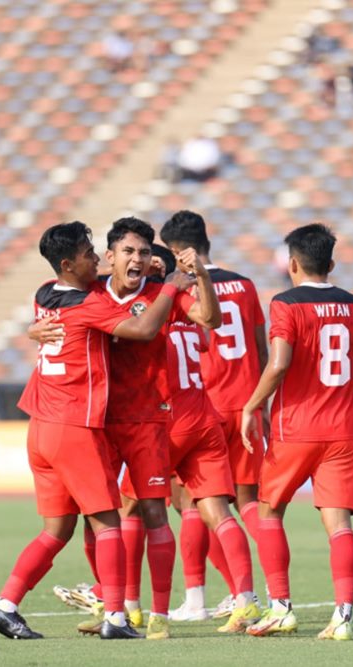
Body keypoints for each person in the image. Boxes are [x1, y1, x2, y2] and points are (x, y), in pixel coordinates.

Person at [0, 221, 194, 641]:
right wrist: (169, 285)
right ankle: (116, 617)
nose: (96, 258)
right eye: (87, 253)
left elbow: (62, 307)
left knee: (56, 529)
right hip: (73, 425)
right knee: (109, 522)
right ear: (67, 263)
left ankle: (4, 605)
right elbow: (144, 329)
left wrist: (30, 329)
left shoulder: (45, 293)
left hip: (40, 424)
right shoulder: (88, 305)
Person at [49, 218, 220, 640]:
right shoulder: (90, 292)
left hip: (148, 420)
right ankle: (117, 608)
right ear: (110, 257)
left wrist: (201, 276)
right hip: (101, 421)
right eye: (128, 251)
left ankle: (159, 614)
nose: (138, 259)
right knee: (98, 518)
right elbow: (50, 301)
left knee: (154, 513)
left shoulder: (160, 293)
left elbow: (210, 319)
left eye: (144, 252)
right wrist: (34, 329)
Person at [239, 224, 353, 640]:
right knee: (340, 525)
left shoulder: (286, 303)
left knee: (269, 511)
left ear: (292, 263)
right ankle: (343, 617)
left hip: (296, 427)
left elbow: (277, 363)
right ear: (331, 263)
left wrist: (253, 403)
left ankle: (280, 608)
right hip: (342, 430)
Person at [119, 248, 259, 634]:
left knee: (129, 508)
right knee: (217, 511)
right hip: (204, 417)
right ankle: (246, 600)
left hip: (167, 421)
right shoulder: (185, 314)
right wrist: (200, 280)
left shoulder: (148, 308)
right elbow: (207, 331)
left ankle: (129, 605)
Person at [159, 210, 269, 621]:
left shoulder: (182, 288)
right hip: (245, 405)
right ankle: (269, 594)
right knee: (249, 502)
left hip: (201, 407)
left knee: (191, 501)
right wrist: (262, 406)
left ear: (176, 251)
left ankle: (196, 599)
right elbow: (260, 349)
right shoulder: (245, 284)